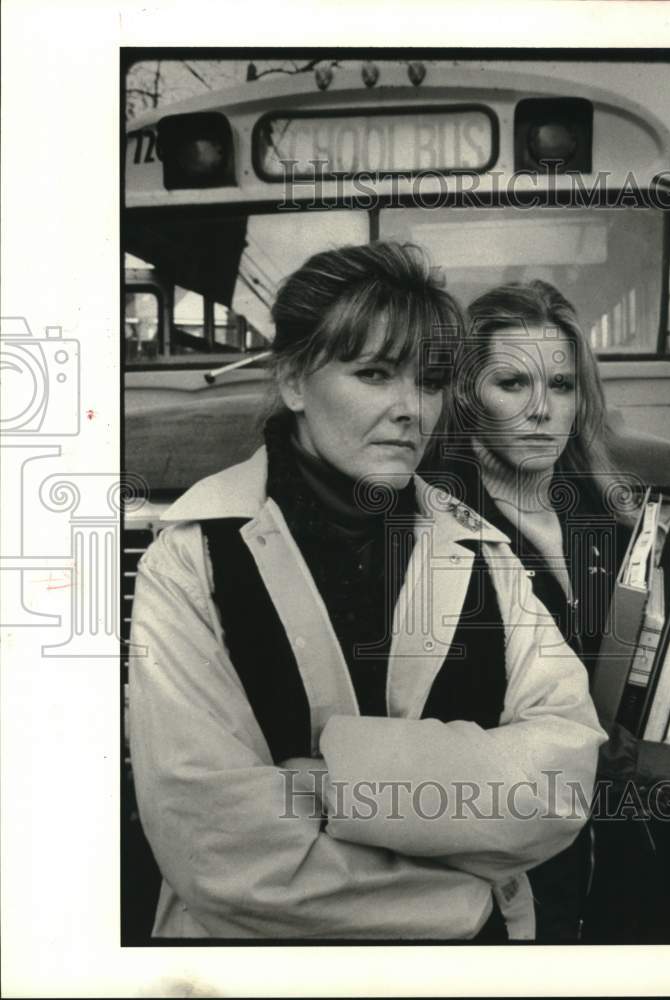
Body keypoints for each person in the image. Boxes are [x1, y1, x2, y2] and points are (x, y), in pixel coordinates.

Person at [128, 243, 605, 941]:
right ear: (293, 380)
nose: (411, 409)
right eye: (374, 373)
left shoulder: (482, 552)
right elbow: (216, 843)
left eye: (431, 380)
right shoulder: (193, 554)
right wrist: (462, 903)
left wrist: (330, 784)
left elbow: (562, 781)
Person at [434, 278, 670, 943]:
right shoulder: (442, 527)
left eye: (559, 386)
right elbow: (487, 716)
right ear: (467, 395)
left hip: (621, 844)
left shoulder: (604, 514)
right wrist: (659, 767)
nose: (539, 411)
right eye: (511, 384)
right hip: (518, 859)